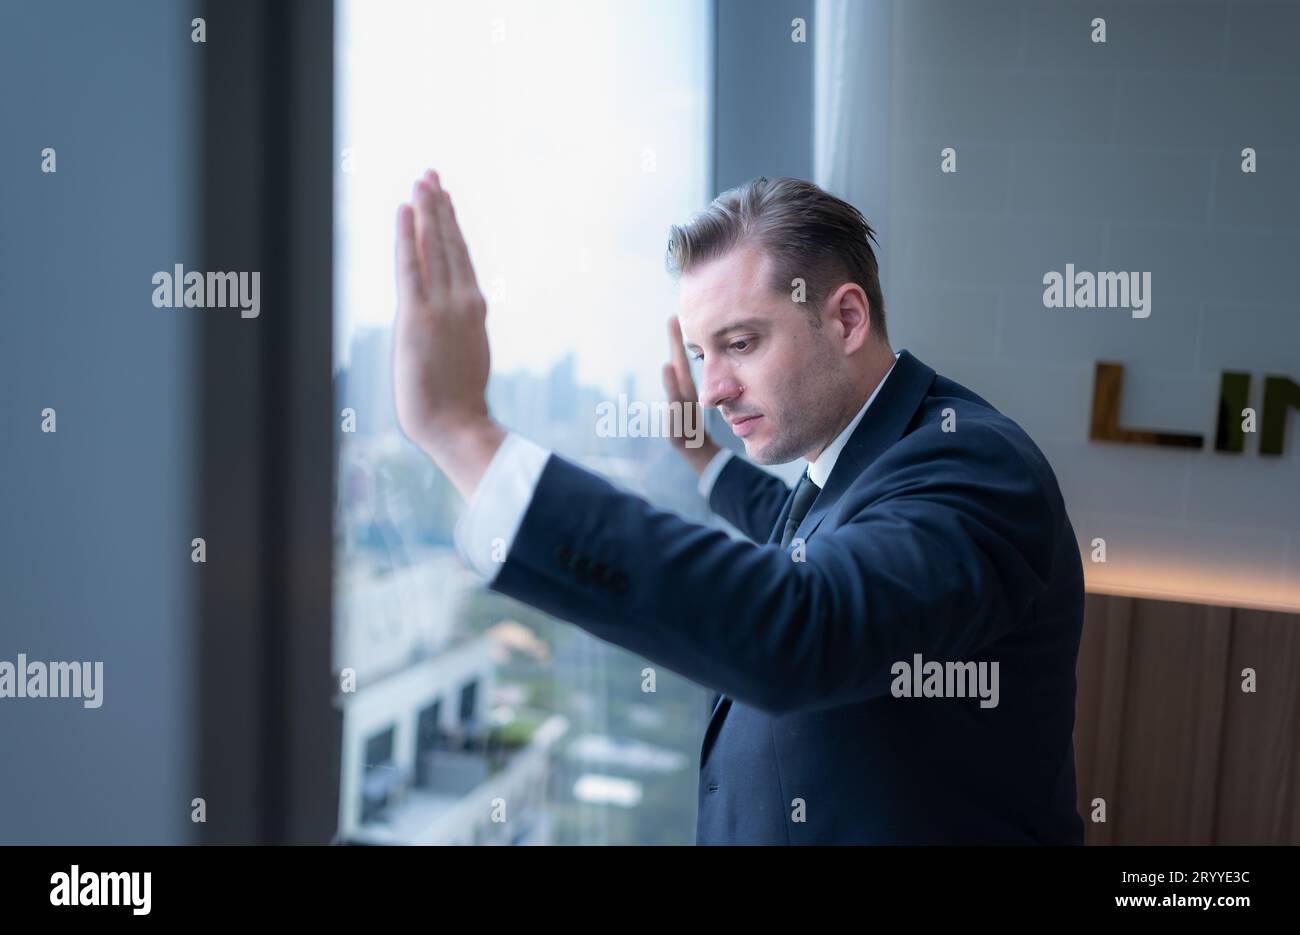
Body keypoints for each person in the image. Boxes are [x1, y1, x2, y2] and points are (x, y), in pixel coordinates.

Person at [391, 169, 1085, 845]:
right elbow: (810, 526)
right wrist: (706, 459)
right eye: (700, 353)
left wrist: (466, 436)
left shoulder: (978, 467)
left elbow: (806, 621)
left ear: (845, 318)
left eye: (741, 343)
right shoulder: (872, 459)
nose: (715, 388)